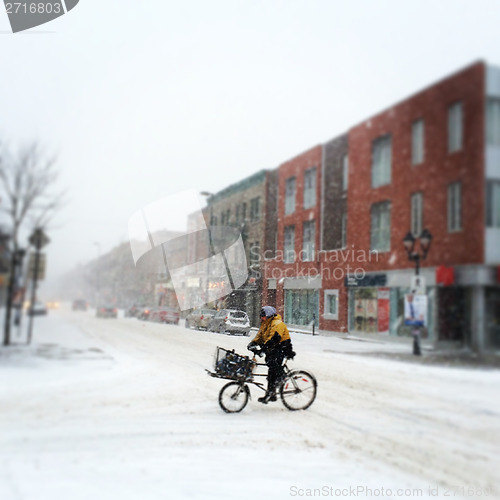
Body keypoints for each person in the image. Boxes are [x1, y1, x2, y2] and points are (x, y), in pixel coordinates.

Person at [247, 306, 295, 404]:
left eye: (263, 316)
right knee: (271, 372)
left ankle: (282, 377)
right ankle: (271, 394)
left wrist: (263, 349)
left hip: (282, 348)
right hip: (273, 348)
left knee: (273, 366)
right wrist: (253, 343)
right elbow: (260, 336)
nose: (262, 318)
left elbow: (274, 339)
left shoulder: (277, 323)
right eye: (261, 317)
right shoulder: (265, 324)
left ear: (269, 316)